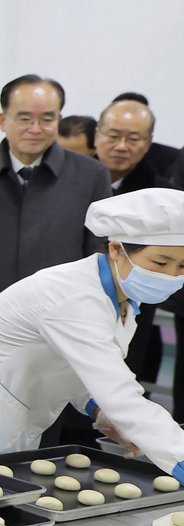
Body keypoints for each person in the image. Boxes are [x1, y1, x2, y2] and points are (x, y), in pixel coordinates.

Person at [0, 189, 184, 481]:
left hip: (5, 424)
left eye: (182, 266)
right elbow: (120, 393)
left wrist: (98, 409)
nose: (170, 276)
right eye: (160, 263)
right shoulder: (72, 298)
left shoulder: (123, 297)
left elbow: (74, 363)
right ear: (116, 250)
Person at [0, 75, 111, 354]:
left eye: (47, 119)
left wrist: (101, 328)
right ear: (3, 121)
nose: (35, 129)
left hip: (60, 328)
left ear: (58, 120)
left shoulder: (91, 176)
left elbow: (98, 258)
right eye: (24, 118)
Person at [95, 97, 170, 387]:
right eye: (113, 136)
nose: (122, 146)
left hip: (132, 307)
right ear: (97, 134)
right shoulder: (69, 182)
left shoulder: (164, 196)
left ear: (148, 143)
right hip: (74, 298)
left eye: (134, 138)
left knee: (119, 384)